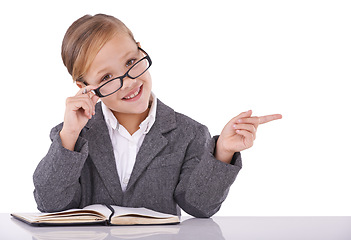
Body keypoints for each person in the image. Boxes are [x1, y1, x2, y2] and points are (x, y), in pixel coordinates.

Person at [33, 13, 282, 218]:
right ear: (84, 87)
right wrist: (70, 135)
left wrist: (223, 152)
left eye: (131, 61)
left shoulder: (189, 133)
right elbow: (49, 203)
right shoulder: (73, 135)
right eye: (106, 77)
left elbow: (200, 206)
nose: (129, 81)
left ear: (141, 50)